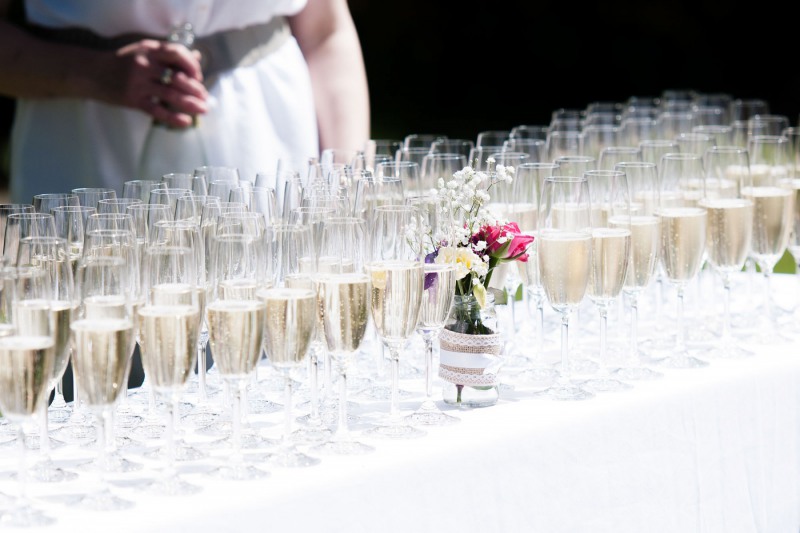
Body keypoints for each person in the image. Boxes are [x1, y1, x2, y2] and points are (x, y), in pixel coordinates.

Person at [0, 0, 371, 203]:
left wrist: (345, 188)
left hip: (273, 167)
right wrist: (94, 72)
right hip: (87, 171)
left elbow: (326, 31)